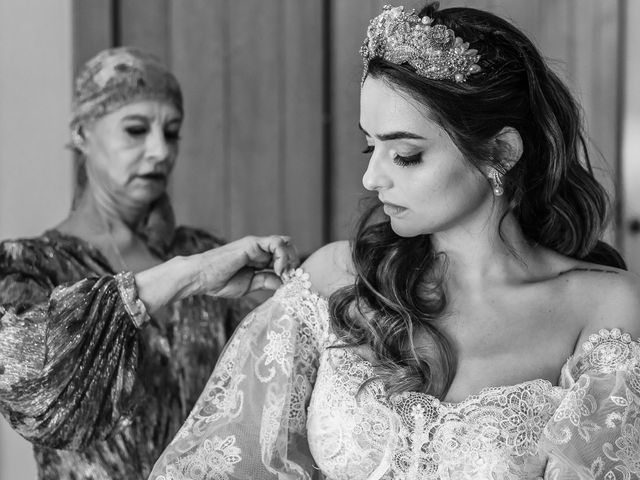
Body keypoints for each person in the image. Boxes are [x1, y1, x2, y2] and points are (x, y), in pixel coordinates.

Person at [149, 4, 640, 479]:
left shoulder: (603, 307)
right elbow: (216, 462)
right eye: (371, 146)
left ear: (501, 150)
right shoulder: (335, 280)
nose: (370, 177)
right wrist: (183, 274)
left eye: (404, 154)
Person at [0, 47, 299, 480]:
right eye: (136, 130)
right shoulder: (27, 268)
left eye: (172, 132)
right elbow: (26, 381)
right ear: (82, 132)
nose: (160, 152)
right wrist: (187, 274)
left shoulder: (211, 253)